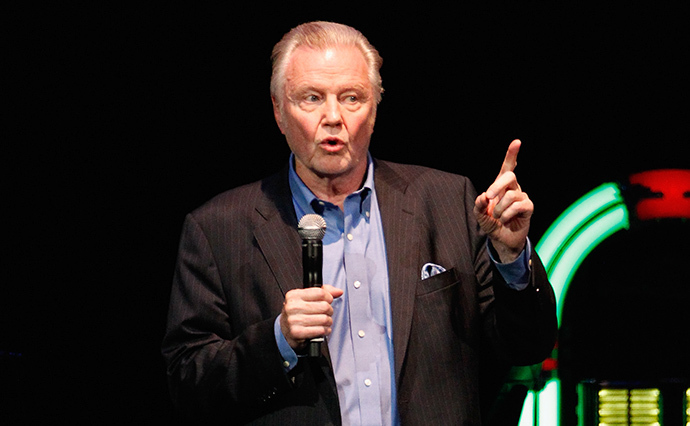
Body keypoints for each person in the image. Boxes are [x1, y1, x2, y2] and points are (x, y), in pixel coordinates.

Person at [162, 21, 557, 425]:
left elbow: (527, 348)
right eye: (311, 98)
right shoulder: (217, 228)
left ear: (373, 110)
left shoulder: (448, 200)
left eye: (351, 98)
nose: (333, 117)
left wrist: (511, 258)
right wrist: (278, 338)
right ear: (279, 112)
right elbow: (187, 382)